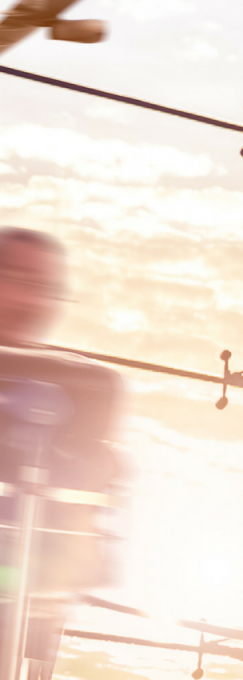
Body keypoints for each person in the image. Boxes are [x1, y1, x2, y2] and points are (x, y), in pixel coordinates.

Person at [0, 228, 124, 680]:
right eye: (20, 279)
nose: (32, 300)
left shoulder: (67, 394)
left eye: (44, 288)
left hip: (27, 612)